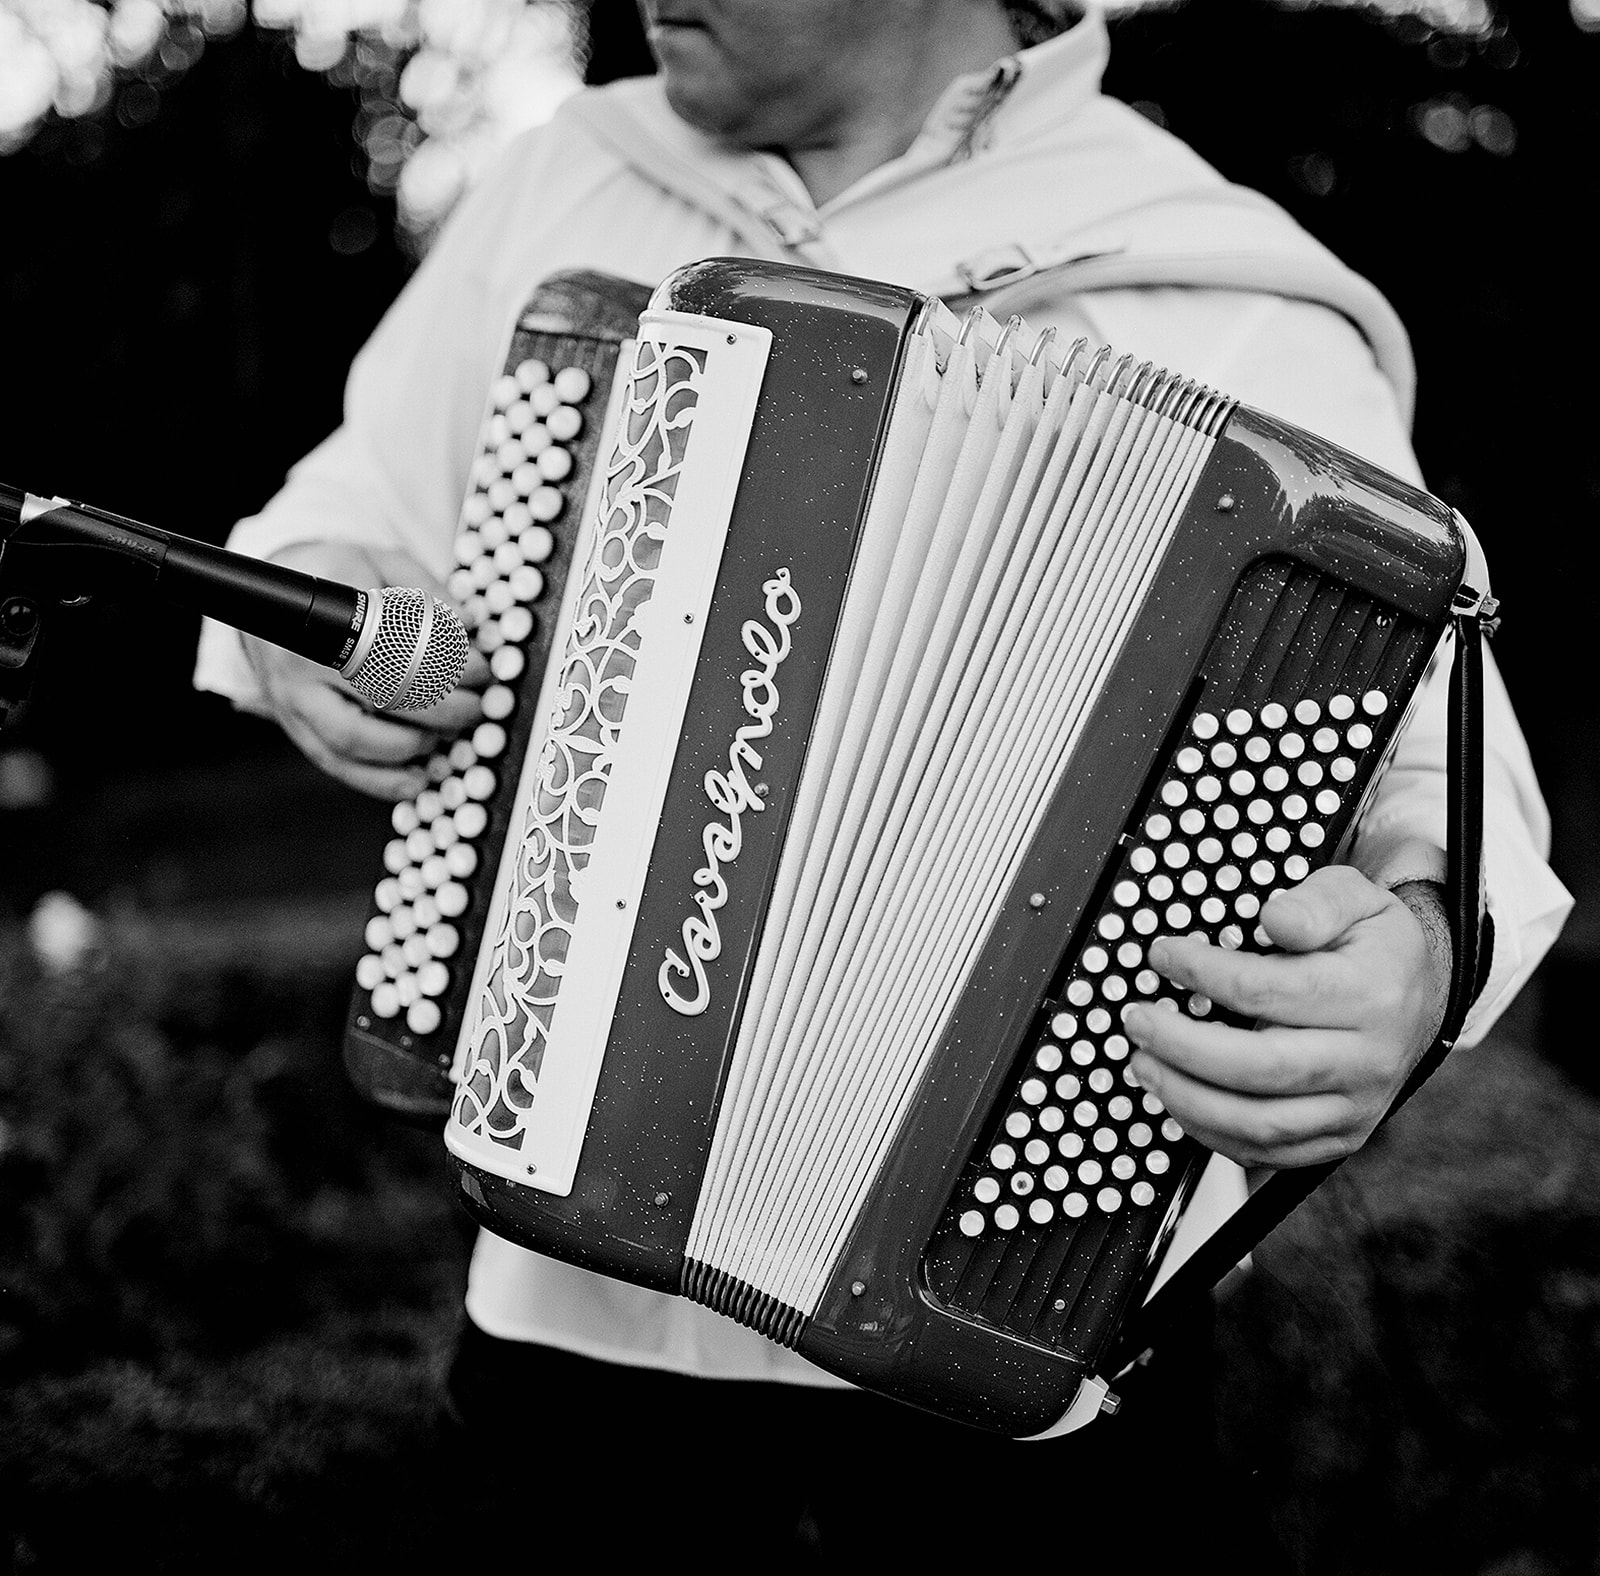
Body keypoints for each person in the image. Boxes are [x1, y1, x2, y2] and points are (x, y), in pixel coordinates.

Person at [194, 0, 1570, 1563]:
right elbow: (347, 517)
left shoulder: (1225, 290)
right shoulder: (572, 178)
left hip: (1012, 1365)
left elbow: (1454, 803)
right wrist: (328, 628)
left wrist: (1409, 963)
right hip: (565, 1341)